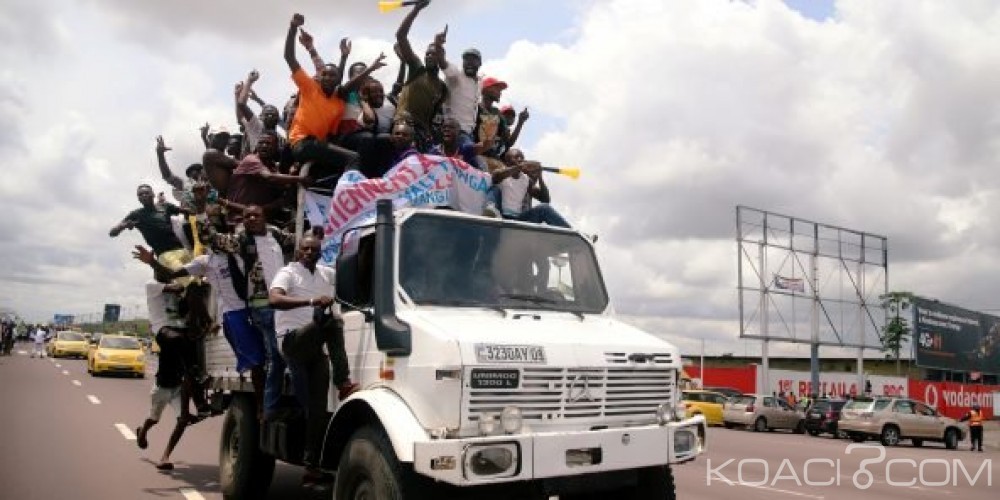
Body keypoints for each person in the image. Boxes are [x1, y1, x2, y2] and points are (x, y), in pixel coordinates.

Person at [134, 244, 267, 419]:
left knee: (190, 354)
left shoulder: (239, 256)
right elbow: (177, 283)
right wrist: (155, 263)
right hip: (163, 328)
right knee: (180, 341)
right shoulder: (152, 284)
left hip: (180, 329)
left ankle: (200, 402)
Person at [269, 235, 359, 485]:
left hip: (314, 348)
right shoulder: (288, 272)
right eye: (305, 248)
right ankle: (344, 382)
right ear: (299, 251)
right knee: (331, 322)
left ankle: (311, 468)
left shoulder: (324, 274)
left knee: (317, 411)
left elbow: (350, 278)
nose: (309, 252)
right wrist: (311, 301)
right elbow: (274, 299)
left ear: (320, 253)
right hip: (292, 341)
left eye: (314, 249)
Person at [198, 205, 296, 420]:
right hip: (262, 305)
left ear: (264, 217)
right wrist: (201, 211)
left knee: (287, 351)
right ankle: (268, 408)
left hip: (284, 301)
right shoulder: (239, 240)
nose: (252, 218)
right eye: (247, 216)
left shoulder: (275, 234)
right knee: (275, 356)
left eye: (256, 215)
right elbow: (210, 238)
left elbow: (296, 241)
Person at [283, 13, 385, 186]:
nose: (328, 78)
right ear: (319, 77)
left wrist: (370, 69)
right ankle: (349, 194)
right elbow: (289, 57)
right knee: (353, 159)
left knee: (346, 156)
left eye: (333, 75)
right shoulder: (309, 87)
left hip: (317, 144)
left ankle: (329, 188)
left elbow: (350, 86)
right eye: (325, 74)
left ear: (339, 79)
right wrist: (293, 27)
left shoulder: (338, 101)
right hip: (302, 142)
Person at [135, 275, 196, 471]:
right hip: (162, 386)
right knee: (154, 419)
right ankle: (142, 431)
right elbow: (175, 288)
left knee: (183, 421)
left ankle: (165, 456)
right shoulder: (167, 334)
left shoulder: (181, 330)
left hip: (177, 387)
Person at [393, 0, 447, 151]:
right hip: (403, 126)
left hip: (423, 133)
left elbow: (432, 115)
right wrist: (416, 10)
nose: (429, 56)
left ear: (441, 57)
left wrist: (428, 131)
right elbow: (400, 35)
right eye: (427, 54)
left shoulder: (442, 87)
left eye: (434, 54)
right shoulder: (417, 69)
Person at [110, 184, 192, 271]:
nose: (143, 196)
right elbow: (112, 233)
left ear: (153, 194)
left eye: (146, 193)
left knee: (199, 281)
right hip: (165, 255)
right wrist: (123, 226)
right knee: (187, 279)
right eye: (140, 195)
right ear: (139, 199)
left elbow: (189, 212)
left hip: (181, 250)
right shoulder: (136, 214)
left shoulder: (165, 206)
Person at [491, 148, 570, 228]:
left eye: (522, 157)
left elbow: (545, 199)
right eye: (516, 157)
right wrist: (519, 167)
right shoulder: (501, 173)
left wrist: (539, 176)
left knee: (544, 209)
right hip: (502, 218)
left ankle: (571, 236)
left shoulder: (525, 179)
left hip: (518, 219)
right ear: (507, 162)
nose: (520, 159)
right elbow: (496, 177)